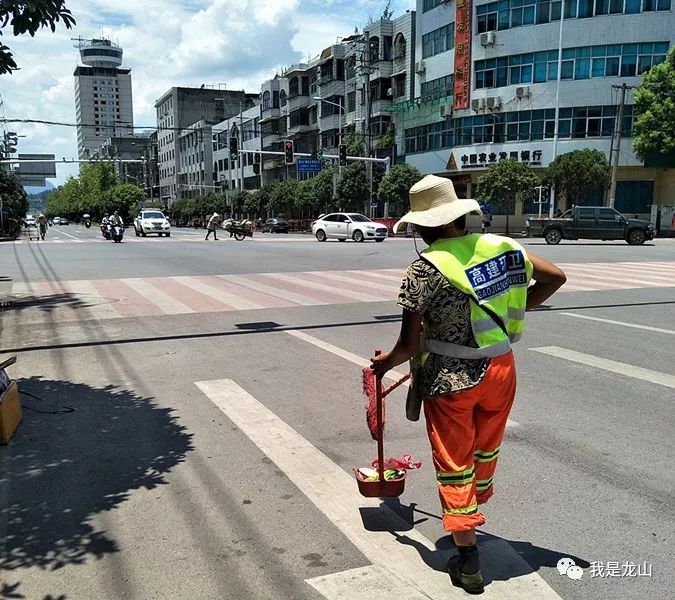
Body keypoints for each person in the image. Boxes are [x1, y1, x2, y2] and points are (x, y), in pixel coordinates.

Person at [370, 175, 566, 594]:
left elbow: (407, 345)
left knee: (454, 463)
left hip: (451, 380)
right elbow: (555, 277)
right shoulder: (502, 247)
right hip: (500, 369)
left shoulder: (423, 270)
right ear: (458, 216)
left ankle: (469, 559)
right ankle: (475, 509)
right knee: (485, 449)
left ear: (420, 228)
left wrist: (383, 365)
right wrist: (517, 306)